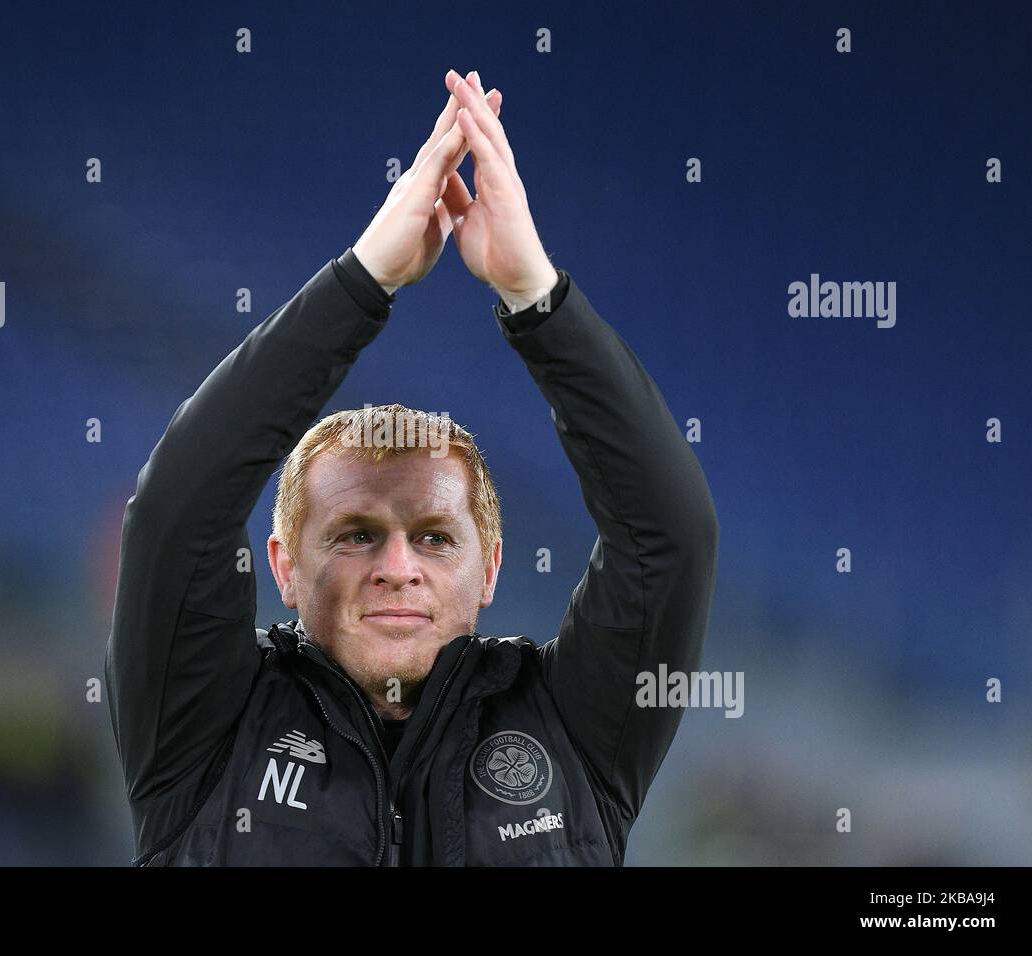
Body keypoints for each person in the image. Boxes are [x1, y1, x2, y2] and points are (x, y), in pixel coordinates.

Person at [104, 69, 719, 866]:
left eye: (434, 538)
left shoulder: (574, 728)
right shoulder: (205, 723)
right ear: (285, 568)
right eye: (357, 535)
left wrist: (536, 295)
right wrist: (363, 280)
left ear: (491, 567)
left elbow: (670, 536)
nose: (399, 568)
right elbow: (175, 519)